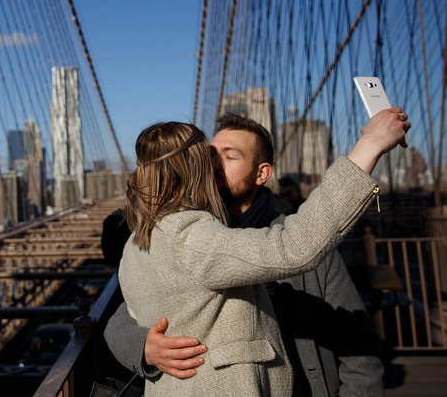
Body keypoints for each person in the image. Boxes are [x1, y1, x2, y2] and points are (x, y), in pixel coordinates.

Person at [111, 108, 409, 395]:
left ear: (261, 173)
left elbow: (359, 342)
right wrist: (143, 347)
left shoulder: (141, 240)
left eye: (229, 156)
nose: (214, 164)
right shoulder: (190, 236)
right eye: (209, 155)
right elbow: (126, 314)